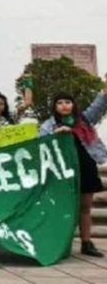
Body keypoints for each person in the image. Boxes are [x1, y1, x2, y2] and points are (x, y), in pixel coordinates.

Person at [39, 75, 107, 257]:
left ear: (73, 105)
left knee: (85, 206)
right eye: (59, 102)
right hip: (62, 171)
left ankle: (87, 242)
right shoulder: (48, 125)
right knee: (63, 207)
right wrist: (56, 134)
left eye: (67, 102)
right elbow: (42, 145)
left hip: (85, 167)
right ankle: (59, 242)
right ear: (54, 106)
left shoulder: (83, 120)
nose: (64, 106)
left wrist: (104, 90)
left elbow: (98, 106)